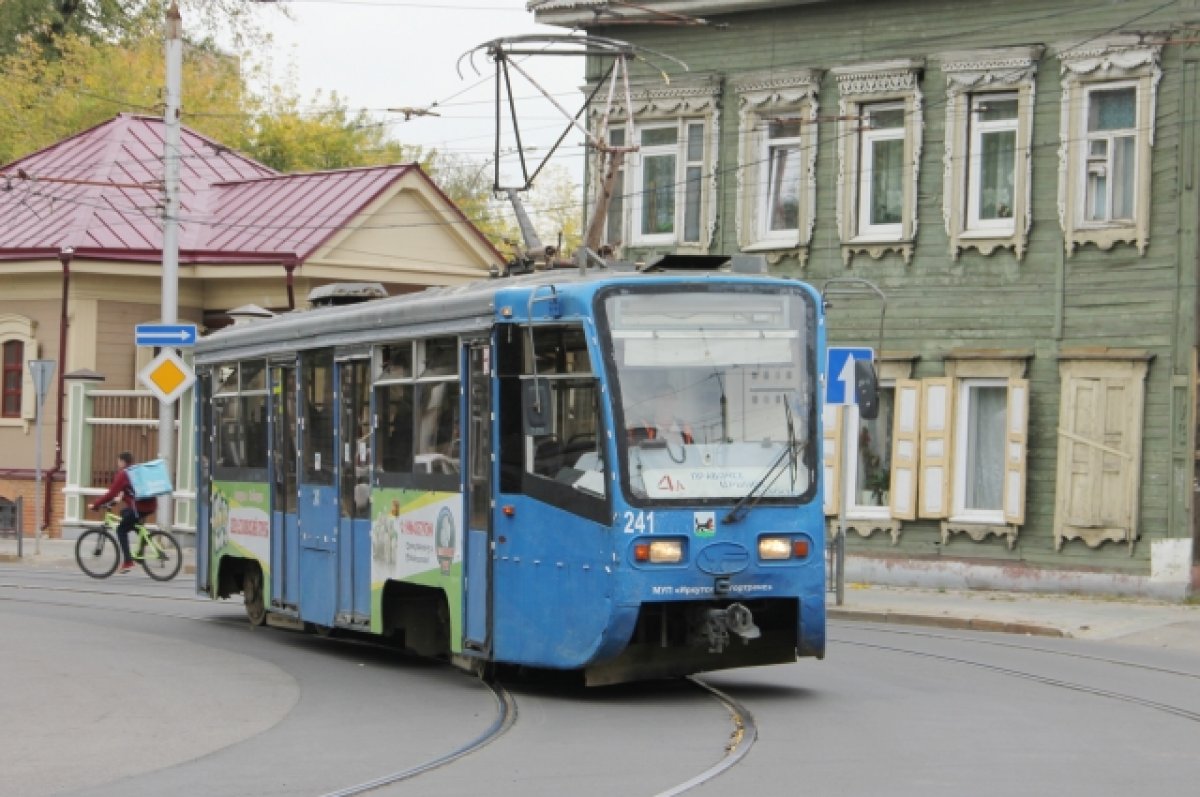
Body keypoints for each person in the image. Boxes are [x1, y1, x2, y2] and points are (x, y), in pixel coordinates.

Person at [90, 452, 157, 572]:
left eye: (118, 461)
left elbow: (111, 493)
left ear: (122, 461)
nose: (118, 464)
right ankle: (145, 539)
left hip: (139, 507)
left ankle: (128, 562)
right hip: (150, 505)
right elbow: (126, 492)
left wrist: (96, 505)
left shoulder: (123, 474)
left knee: (121, 529)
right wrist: (117, 500)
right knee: (124, 513)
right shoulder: (135, 470)